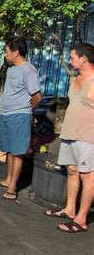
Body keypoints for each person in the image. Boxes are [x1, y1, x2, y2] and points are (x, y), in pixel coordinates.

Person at [44, 43, 94, 233]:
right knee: (72, 170)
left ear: (84, 59)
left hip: (89, 135)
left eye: (73, 57)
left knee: (88, 176)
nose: (70, 60)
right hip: (70, 133)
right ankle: (70, 209)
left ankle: (81, 219)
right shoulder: (75, 79)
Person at [0, 39, 42, 200]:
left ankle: (13, 187)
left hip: (19, 115)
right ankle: (7, 180)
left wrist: (27, 111)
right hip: (6, 114)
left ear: (16, 52)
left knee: (18, 151)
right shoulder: (12, 70)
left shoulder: (29, 71)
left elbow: (37, 97)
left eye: (6, 51)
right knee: (11, 149)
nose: (5, 55)